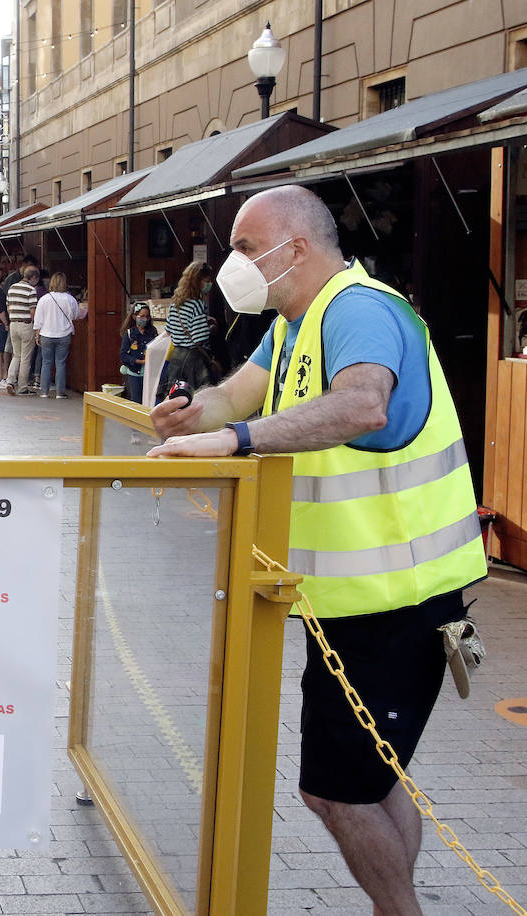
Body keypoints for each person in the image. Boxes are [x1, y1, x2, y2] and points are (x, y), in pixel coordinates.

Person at [148, 185, 486, 916]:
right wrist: (186, 416)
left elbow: (363, 402)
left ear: (293, 248)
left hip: (397, 601)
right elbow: (237, 396)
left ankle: (400, 912)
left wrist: (233, 440)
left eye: (243, 247)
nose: (232, 263)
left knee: (335, 792)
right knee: (372, 779)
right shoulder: (296, 324)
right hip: (349, 601)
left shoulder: (360, 309)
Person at [158, 260, 219, 399]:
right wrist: (211, 328)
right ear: (197, 282)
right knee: (198, 398)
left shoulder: (175, 303)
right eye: (207, 281)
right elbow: (199, 337)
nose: (209, 284)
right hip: (193, 361)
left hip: (176, 358)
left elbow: (169, 329)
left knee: (176, 398)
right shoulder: (197, 304)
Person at [33, 272, 86, 399]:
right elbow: (76, 315)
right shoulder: (70, 299)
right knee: (60, 363)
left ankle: (44, 391)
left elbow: (38, 319)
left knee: (46, 363)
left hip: (46, 333)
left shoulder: (44, 299)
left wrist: (37, 334)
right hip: (64, 334)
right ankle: (59, 392)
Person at [4, 267, 41, 396]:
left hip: (13, 324)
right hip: (26, 325)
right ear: (34, 278)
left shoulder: (12, 287)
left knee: (16, 355)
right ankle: (22, 387)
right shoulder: (31, 290)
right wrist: (37, 328)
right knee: (25, 358)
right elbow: (33, 312)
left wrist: (13, 317)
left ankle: (10, 381)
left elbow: (8, 306)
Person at [119, 302, 158, 402]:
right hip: (134, 373)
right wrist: (137, 361)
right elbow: (123, 355)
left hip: (150, 373)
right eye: (142, 316)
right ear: (134, 316)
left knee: (149, 400)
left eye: (147, 316)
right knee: (136, 401)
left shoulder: (152, 332)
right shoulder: (129, 334)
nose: (144, 319)